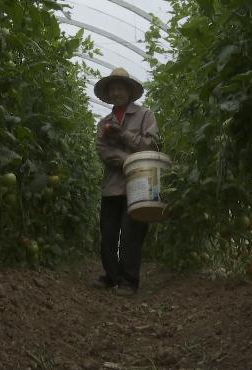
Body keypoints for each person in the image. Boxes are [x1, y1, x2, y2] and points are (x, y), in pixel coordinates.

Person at [93, 67, 159, 296]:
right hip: (112, 186)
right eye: (112, 89)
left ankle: (130, 281)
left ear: (129, 92)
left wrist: (122, 135)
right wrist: (131, 161)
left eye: (120, 88)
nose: (116, 92)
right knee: (109, 233)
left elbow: (151, 146)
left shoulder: (145, 115)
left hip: (140, 185)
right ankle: (112, 276)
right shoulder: (104, 123)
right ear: (109, 94)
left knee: (132, 234)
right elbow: (103, 151)